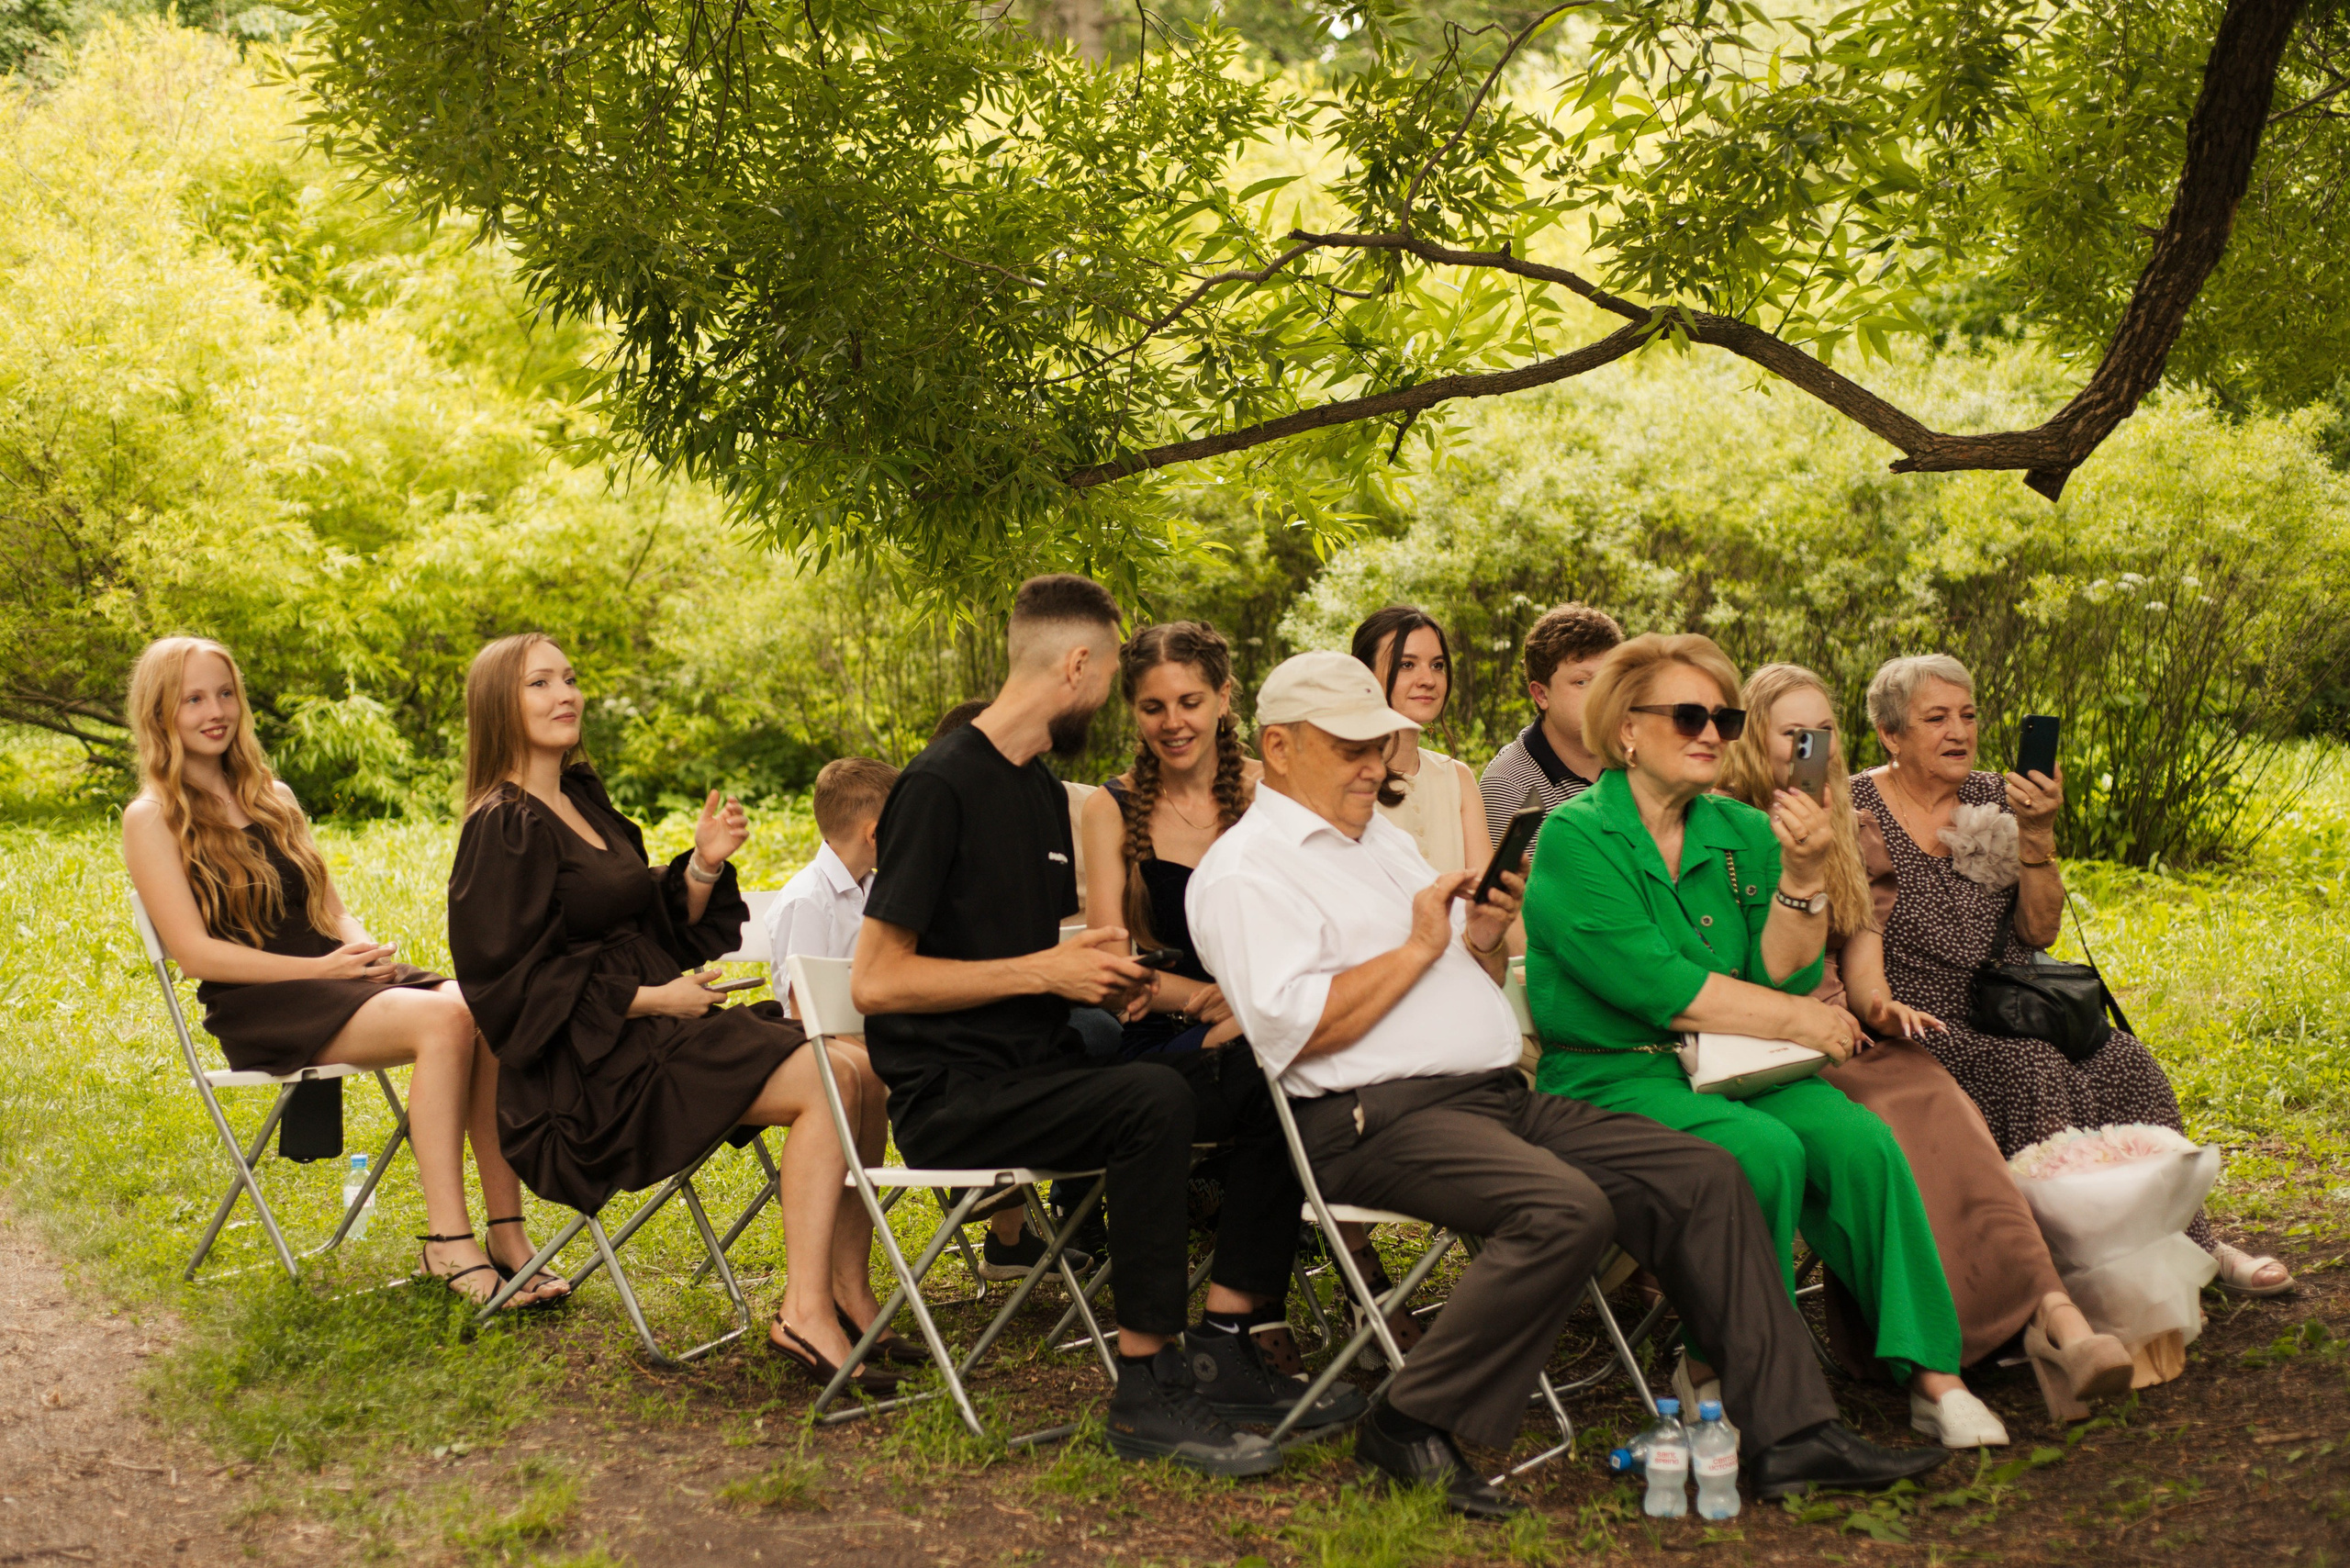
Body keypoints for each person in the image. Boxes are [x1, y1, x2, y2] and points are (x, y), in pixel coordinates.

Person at [1190, 650, 1950, 1518]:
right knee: (1563, 1209)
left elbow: (1451, 976)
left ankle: (1791, 1434)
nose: (1374, 766)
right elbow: (1297, 1031)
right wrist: (1419, 946)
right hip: (1372, 1118)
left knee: (1707, 1174)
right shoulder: (1247, 871)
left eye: (1379, 746)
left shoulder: (1377, 842)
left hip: (1492, 1097)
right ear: (1279, 747)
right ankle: (1406, 1421)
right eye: (1350, 748)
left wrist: (1478, 939)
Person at [852, 577, 1361, 1478]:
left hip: (1044, 1067)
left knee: (1267, 1073)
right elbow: (876, 979)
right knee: (1150, 1097)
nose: (1121, 701)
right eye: (1117, 678)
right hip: (955, 1097)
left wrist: (1113, 975)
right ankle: (1146, 1383)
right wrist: (1048, 972)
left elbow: (1045, 949)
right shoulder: (938, 784)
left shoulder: (1038, 792)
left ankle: (1229, 1343)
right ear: (1078, 664)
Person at [1520, 633, 2007, 1450]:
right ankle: (1721, 1369)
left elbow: (1785, 972)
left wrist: (1807, 875)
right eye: (1689, 716)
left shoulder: (1742, 829)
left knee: (1860, 1141)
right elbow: (1660, 988)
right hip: (1616, 1077)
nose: (1712, 732)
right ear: (1627, 730)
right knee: (1762, 1150)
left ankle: (1933, 1375)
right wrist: (1804, 1021)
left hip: (1738, 1065)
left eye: (1725, 717)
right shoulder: (1578, 836)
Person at [446, 633, 916, 1394]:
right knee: (830, 1076)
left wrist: (701, 866)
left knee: (863, 1067)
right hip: (587, 1077)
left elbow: (641, 926)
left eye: (570, 678)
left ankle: (847, 1291)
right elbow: (510, 985)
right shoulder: (502, 825)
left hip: (656, 1035)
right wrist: (653, 999)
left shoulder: (581, 798)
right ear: (500, 703)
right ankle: (804, 1312)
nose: (566, 694)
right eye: (541, 683)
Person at [1718, 663, 2135, 1421]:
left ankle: (2057, 1315)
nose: (1813, 749)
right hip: (1764, 1042)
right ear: (1751, 741)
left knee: (1952, 1122)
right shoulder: (1716, 827)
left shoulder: (1850, 828)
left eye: (1824, 732)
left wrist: (1884, 1010)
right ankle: (1956, 1355)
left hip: (1851, 1035)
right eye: (1793, 735)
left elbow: (1864, 968)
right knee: (1894, 1140)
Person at [119, 637, 565, 1308]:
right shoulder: (152, 817)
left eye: (225, 694)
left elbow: (332, 910)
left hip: (334, 978)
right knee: (446, 1018)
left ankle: (507, 1233)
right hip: (261, 1004)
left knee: (491, 1004)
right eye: (194, 700)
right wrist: (322, 967)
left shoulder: (273, 796)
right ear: (160, 713)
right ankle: (447, 1240)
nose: (216, 711)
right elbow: (195, 955)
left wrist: (362, 952)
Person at [1855, 653, 2291, 1297]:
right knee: (2031, 1069)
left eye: (1968, 716)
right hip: (1917, 1020)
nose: (1959, 732)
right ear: (1891, 735)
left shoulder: (1996, 795)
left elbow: (2040, 932)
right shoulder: (1855, 807)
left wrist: (2037, 832)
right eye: (1937, 718)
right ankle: (2072, 1276)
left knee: (2125, 1060)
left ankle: (2194, 1244)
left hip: (2012, 1003)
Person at [1348, 607, 1491, 873]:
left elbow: (1482, 889)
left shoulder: (1458, 778)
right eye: (1407, 665)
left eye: (1437, 666)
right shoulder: (1343, 779)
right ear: (1364, 674)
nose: (1428, 680)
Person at [1478, 602, 1622, 846]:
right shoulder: (1509, 786)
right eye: (1582, 682)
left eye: (1611, 678)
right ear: (1541, 695)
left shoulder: (1637, 760)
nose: (1603, 693)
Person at [762, 757, 897, 1016]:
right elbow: (805, 1012)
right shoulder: (806, 901)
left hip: (872, 1023)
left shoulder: (876, 884)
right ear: (874, 835)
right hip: (823, 1033)